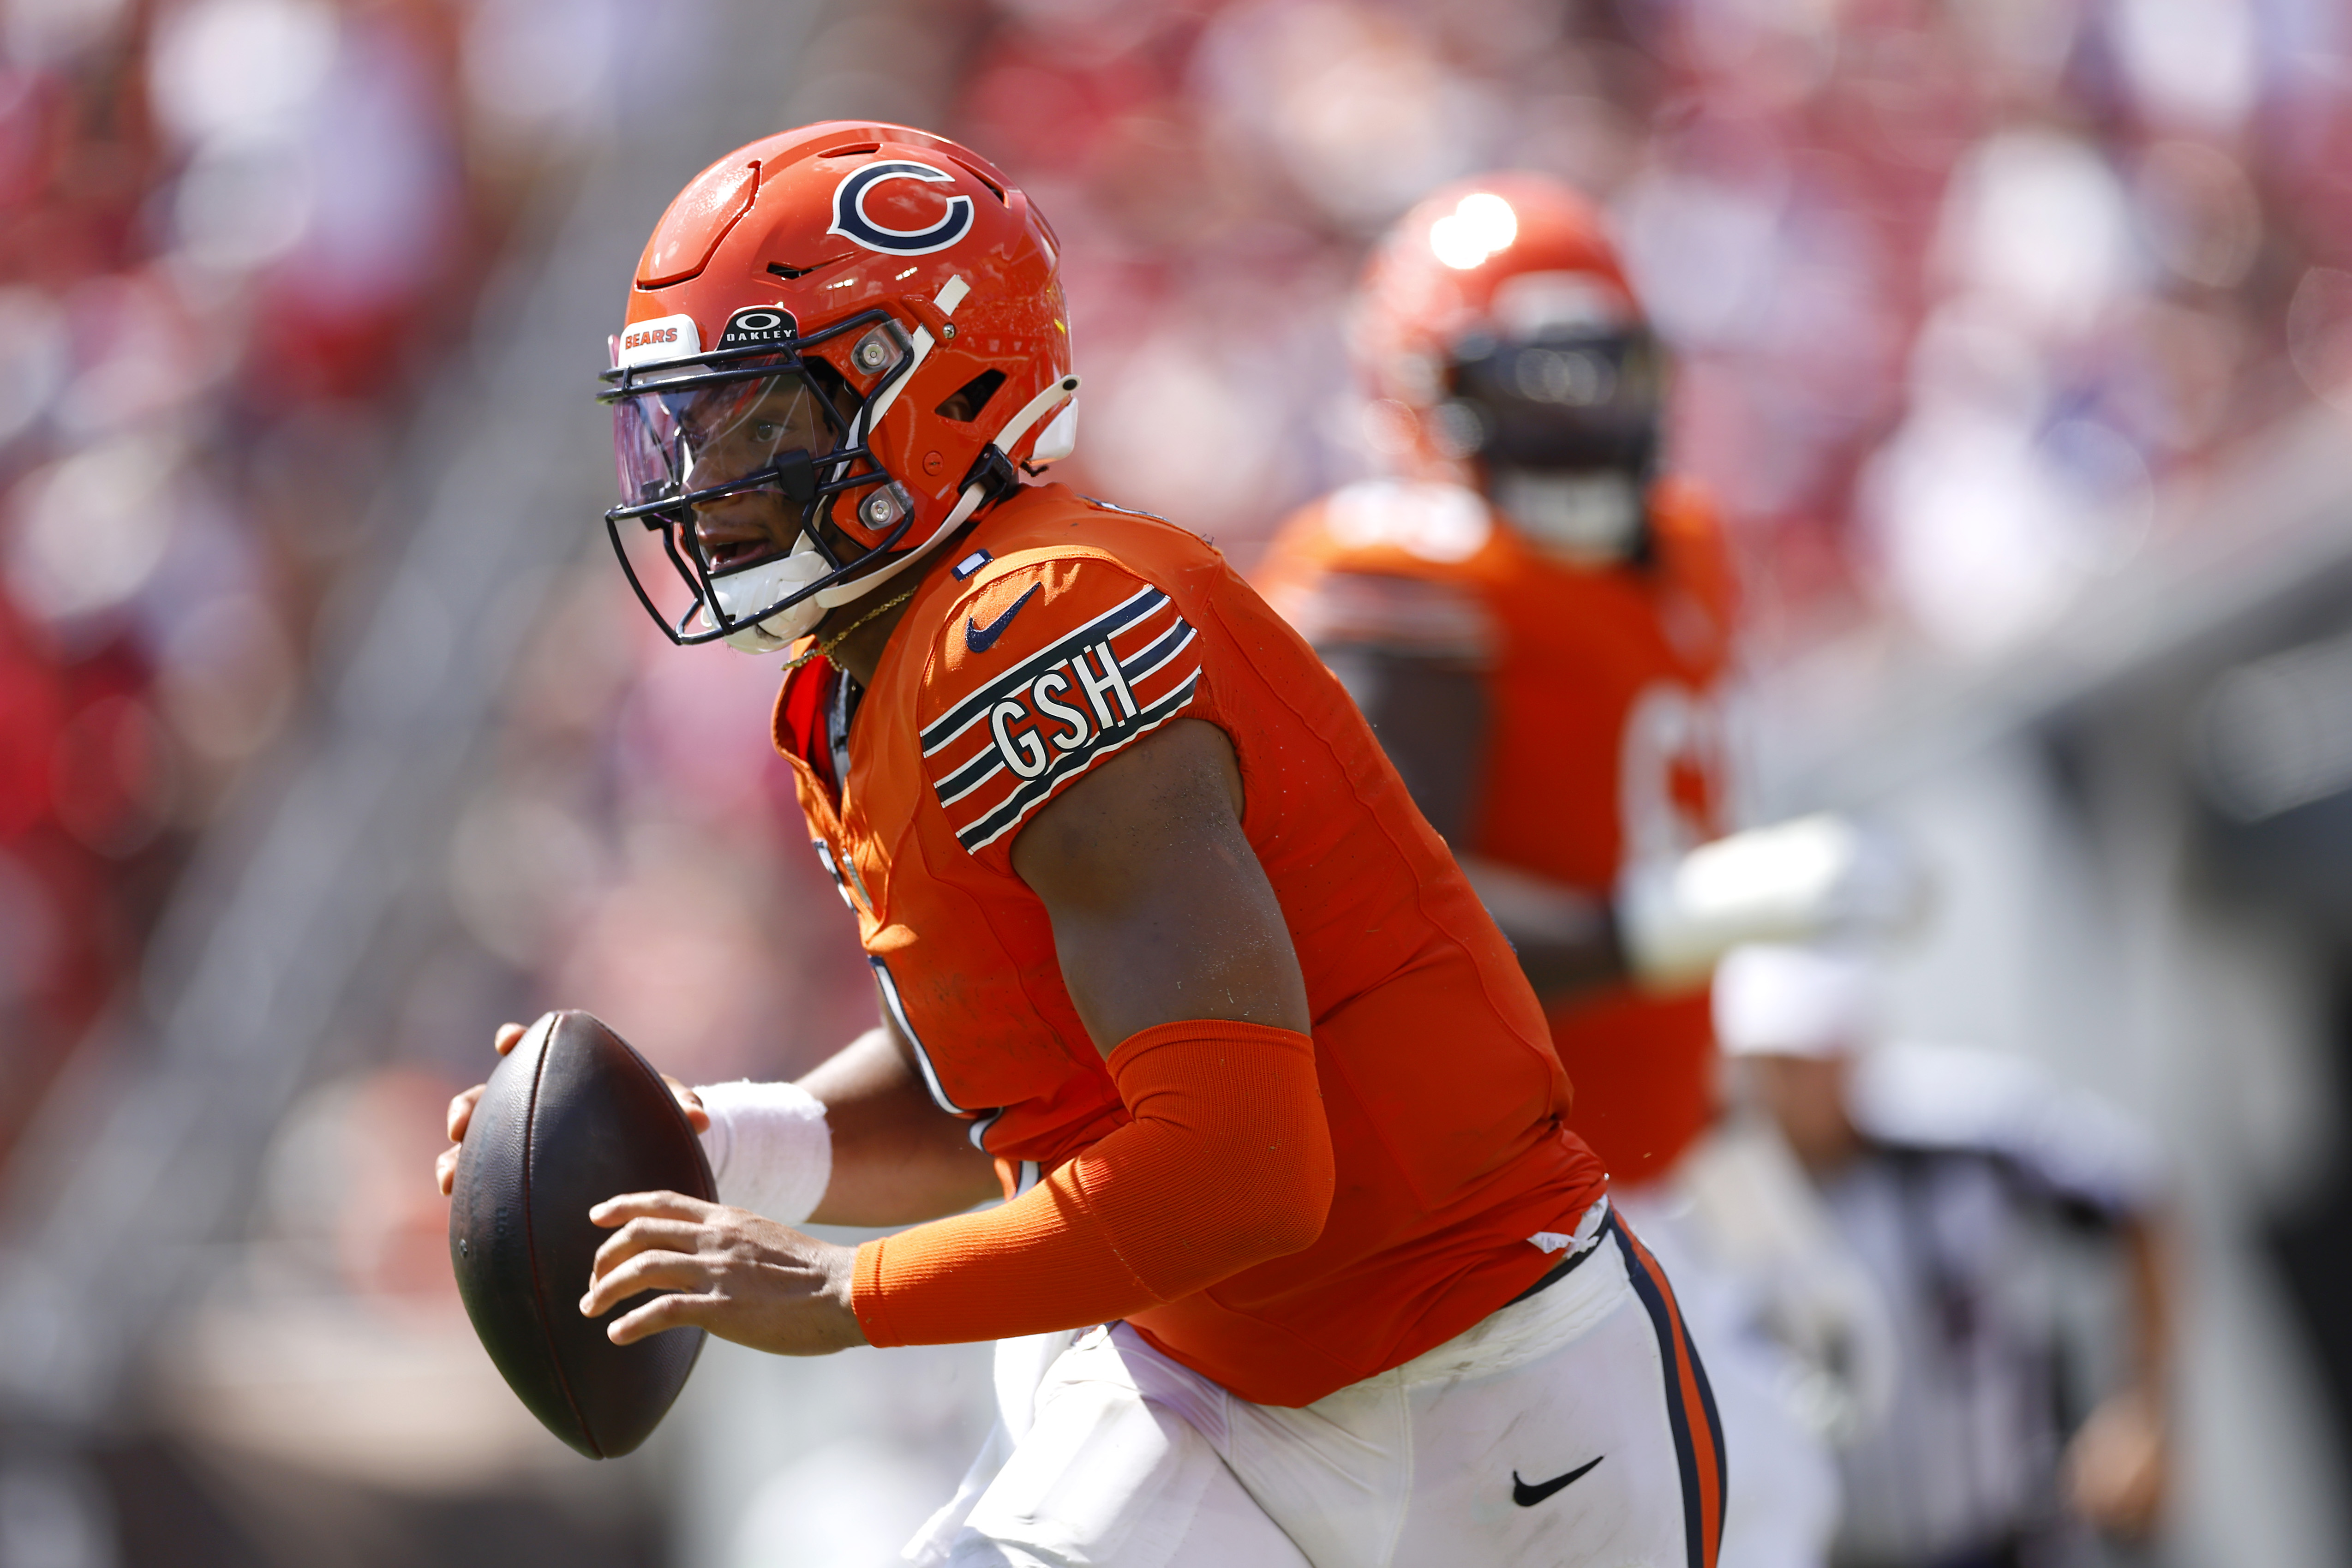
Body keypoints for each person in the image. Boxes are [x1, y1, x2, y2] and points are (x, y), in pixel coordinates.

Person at [436, 123, 1724, 1568]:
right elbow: (1000, 1113)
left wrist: (844, 1292)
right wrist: (717, 1144)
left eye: (756, 421)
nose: (703, 482)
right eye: (685, 424)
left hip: (1478, 1402)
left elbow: (1239, 1170)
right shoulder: (869, 669)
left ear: (933, 393)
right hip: (1212, 1386)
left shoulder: (1037, 626)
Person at [1252, 174, 1915, 1568]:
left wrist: (1749, 1195)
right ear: (1420, 394)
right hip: (1486, 1220)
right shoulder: (1401, 572)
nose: (1577, 422)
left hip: (1643, 1179)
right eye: (1534, 383)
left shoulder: (1684, 550)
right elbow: (1377, 918)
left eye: (1598, 376)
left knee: (1768, 1512)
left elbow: (1643, 957)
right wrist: (1700, 913)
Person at [1714, 944, 2175, 1568]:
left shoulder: (1967, 1132)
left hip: (2016, 1537)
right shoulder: (1726, 1187)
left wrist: (2140, 1410)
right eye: (1757, 1064)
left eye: (1793, 1063)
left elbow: (2136, 1194)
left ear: (1846, 1048)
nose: (1771, 1090)